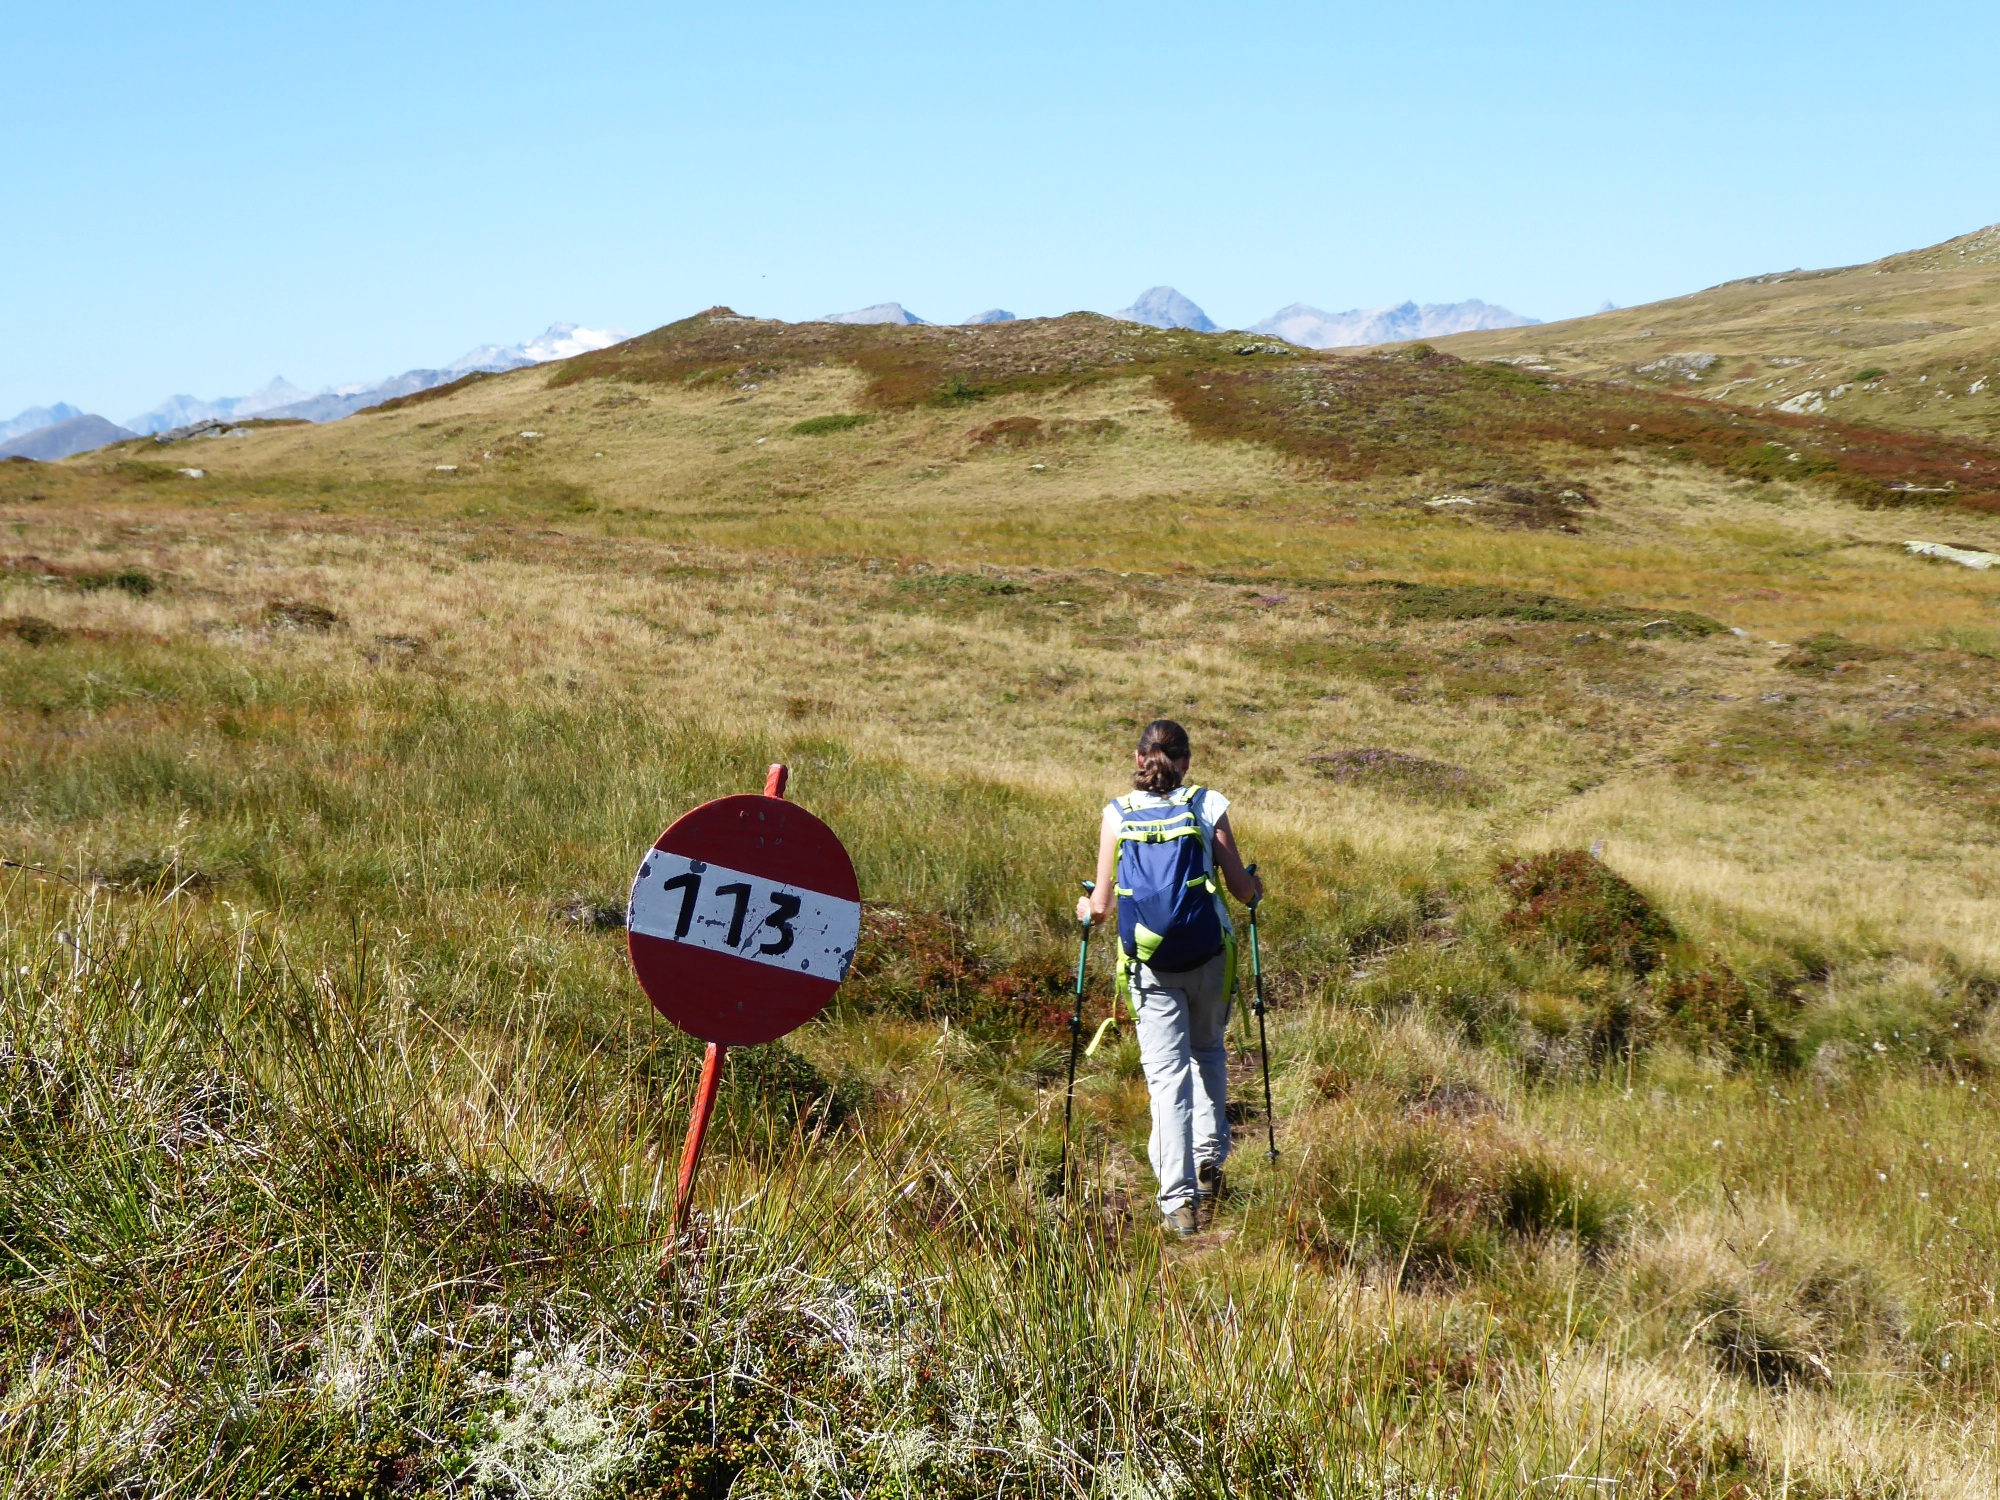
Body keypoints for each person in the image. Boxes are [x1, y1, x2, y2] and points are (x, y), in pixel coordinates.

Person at [1077, 720, 1262, 1236]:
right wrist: (1257, 886)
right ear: (1186, 762)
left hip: (1149, 965)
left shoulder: (1117, 814)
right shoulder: (1207, 805)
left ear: (1138, 759)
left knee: (1166, 1079)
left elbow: (1102, 906)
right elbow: (1242, 889)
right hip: (1208, 955)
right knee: (1208, 1053)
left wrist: (1084, 909)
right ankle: (1210, 1163)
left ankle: (1177, 1203)